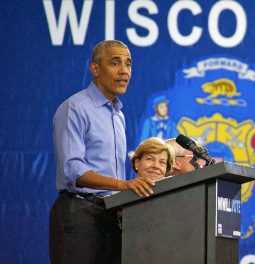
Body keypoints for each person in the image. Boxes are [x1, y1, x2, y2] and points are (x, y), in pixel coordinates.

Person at [49, 40, 155, 264]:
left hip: (111, 216)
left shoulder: (118, 114)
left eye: (128, 64)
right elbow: (73, 171)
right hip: (79, 214)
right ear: (95, 69)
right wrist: (122, 186)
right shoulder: (75, 108)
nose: (124, 71)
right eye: (115, 63)